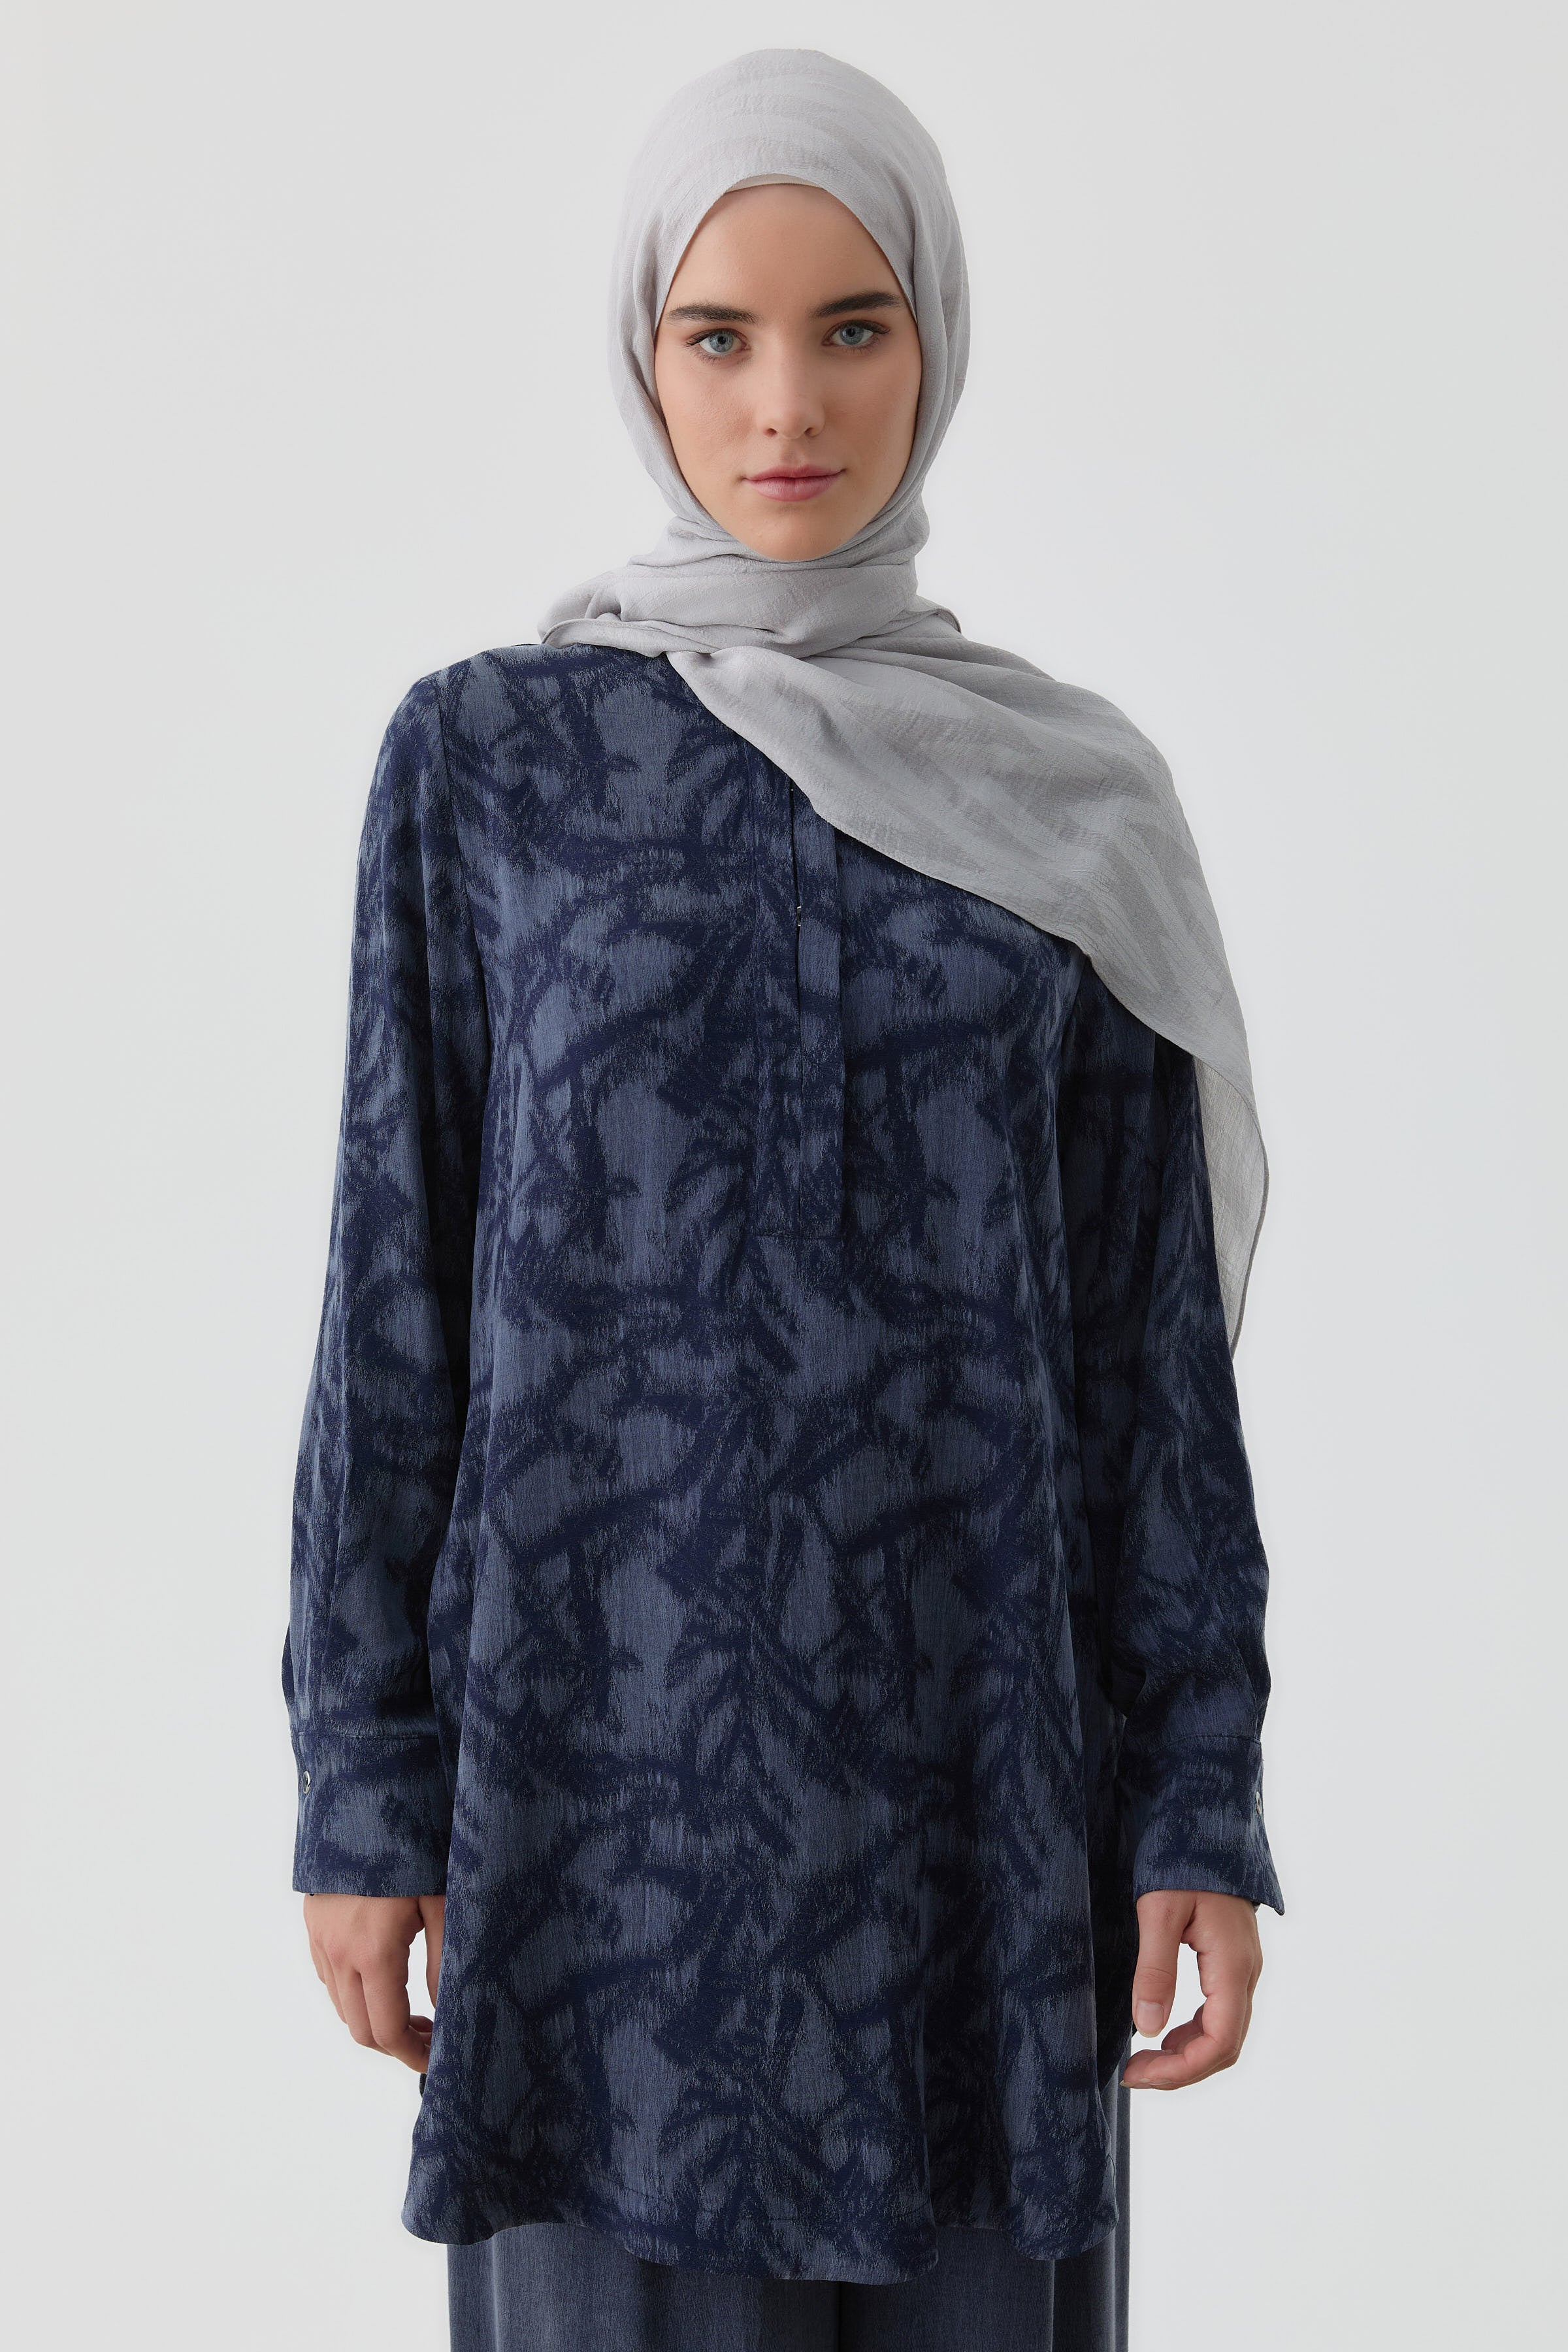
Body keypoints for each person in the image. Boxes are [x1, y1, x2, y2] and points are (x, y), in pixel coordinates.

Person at [284, 47, 1282, 2352]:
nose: (787, 404)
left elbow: (1149, 1362)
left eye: (853, 327)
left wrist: (1197, 1802)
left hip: (983, 1836)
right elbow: (391, 1302)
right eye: (717, 334)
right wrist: (363, 1787)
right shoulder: (490, 764)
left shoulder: (1071, 801)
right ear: (640, 355)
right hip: (591, 1835)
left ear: (936, 340)